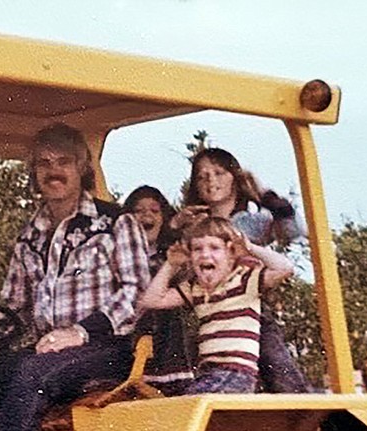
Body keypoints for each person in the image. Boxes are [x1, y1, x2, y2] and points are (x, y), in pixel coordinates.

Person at [0, 123, 151, 431]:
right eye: (44, 163)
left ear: (83, 167)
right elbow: (16, 304)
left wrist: (80, 332)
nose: (53, 171)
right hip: (50, 348)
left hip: (109, 347)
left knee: (34, 375)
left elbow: (136, 295)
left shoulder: (115, 223)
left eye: (64, 162)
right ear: (34, 171)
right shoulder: (30, 236)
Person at [171, 147, 312, 392]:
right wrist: (174, 227)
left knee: (283, 377)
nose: (211, 181)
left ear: (235, 178)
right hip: (208, 317)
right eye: (202, 176)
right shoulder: (194, 226)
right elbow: (174, 265)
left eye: (218, 173)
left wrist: (264, 193)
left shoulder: (252, 220)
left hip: (248, 313)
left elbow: (294, 232)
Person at [139, 216, 294, 393]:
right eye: (197, 249)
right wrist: (171, 265)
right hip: (208, 373)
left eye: (214, 248)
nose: (205, 254)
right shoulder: (194, 288)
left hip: (236, 372)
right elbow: (152, 300)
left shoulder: (245, 280)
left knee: (190, 404)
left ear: (231, 254)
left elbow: (285, 268)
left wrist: (251, 248)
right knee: (184, 403)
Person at [123, 185, 194, 396]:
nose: (147, 215)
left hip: (166, 344)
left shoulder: (171, 257)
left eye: (154, 211)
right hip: (129, 337)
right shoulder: (120, 256)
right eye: (139, 211)